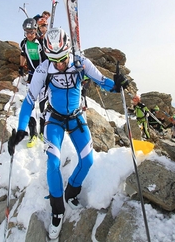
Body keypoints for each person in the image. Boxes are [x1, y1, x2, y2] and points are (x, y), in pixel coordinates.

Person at [8, 27, 129, 240]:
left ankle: (71, 192)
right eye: (55, 60)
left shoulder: (81, 63)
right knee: (53, 163)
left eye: (63, 59)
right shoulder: (44, 69)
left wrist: (117, 85)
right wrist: (20, 129)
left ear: (68, 51)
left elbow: (102, 81)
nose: (60, 64)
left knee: (88, 160)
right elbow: (28, 101)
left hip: (75, 117)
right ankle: (57, 210)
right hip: (54, 119)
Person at [19, 18, 48, 147]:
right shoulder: (24, 43)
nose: (29, 35)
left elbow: (48, 58)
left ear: (35, 30)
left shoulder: (41, 42)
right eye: (26, 32)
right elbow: (23, 55)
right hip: (32, 76)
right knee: (30, 105)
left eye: (31, 32)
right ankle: (33, 133)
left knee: (42, 105)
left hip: (43, 77)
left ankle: (42, 131)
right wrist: (21, 66)